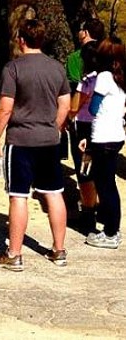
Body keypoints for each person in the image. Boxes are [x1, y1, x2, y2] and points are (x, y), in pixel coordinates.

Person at [0, 19, 70, 271]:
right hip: (48, 139)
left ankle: (14, 253)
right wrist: (52, 127)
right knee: (54, 192)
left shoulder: (13, 68)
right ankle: (59, 249)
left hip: (21, 140)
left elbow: (5, 107)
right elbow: (65, 104)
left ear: (21, 39)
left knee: (18, 196)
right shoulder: (57, 68)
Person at [82, 37, 126, 249]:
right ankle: (112, 229)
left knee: (104, 185)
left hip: (103, 136)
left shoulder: (104, 77)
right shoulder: (120, 77)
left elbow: (93, 109)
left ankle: (110, 232)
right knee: (109, 184)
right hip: (117, 135)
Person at [68, 41, 99, 233]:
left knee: (85, 172)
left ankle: (88, 214)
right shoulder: (113, 78)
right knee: (100, 172)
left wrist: (67, 119)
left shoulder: (87, 81)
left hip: (84, 128)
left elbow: (73, 106)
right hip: (104, 127)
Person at [65, 18, 105, 164]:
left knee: (84, 168)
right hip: (107, 120)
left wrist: (68, 116)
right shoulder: (111, 54)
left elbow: (75, 86)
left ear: (85, 33)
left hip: (83, 119)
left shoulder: (75, 58)